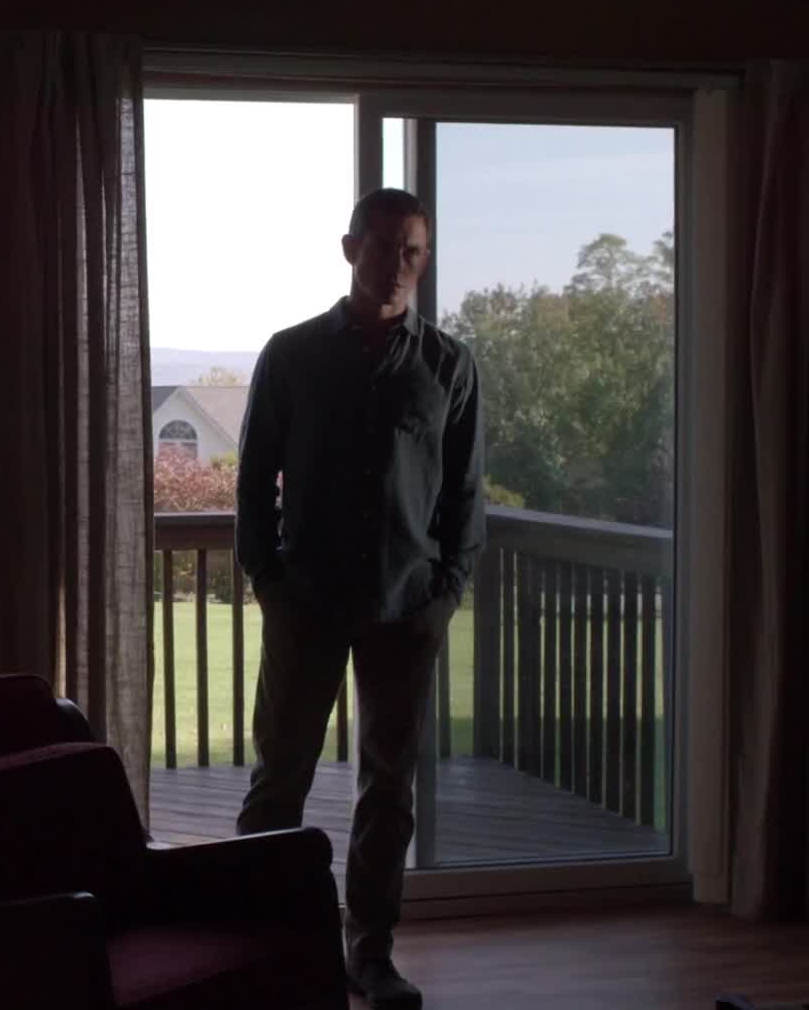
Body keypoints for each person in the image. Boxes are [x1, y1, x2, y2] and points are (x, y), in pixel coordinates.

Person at [233, 187, 484, 1010]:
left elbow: (466, 495)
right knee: (280, 779)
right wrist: (269, 581)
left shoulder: (449, 366)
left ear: (425, 258)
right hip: (305, 601)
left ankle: (369, 956)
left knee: (388, 791)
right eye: (383, 247)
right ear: (350, 250)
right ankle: (260, 948)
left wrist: (445, 592)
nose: (398, 264)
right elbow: (253, 481)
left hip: (406, 609)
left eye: (413, 251)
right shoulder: (292, 355)